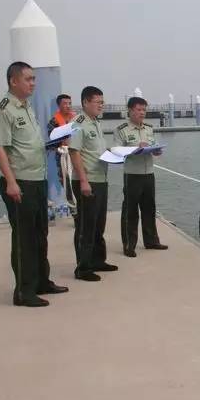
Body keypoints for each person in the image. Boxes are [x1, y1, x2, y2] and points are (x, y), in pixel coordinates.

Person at [0, 61, 68, 307]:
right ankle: (24, 292)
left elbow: (27, 145)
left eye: (34, 79)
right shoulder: (3, 109)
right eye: (28, 79)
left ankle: (41, 281)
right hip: (20, 182)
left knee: (40, 235)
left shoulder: (27, 107)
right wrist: (11, 183)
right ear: (14, 81)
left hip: (38, 180)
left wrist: (51, 145)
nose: (33, 83)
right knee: (24, 239)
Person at [69, 86, 117, 281]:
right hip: (87, 181)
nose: (101, 105)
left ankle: (98, 260)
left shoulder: (95, 123)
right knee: (86, 226)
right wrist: (83, 181)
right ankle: (83, 267)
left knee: (98, 224)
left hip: (101, 179)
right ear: (85, 103)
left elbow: (97, 150)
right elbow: (74, 152)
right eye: (97, 102)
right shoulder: (78, 123)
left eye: (102, 102)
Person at [113, 97, 168, 258]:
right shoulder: (121, 129)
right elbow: (117, 150)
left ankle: (151, 241)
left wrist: (156, 150)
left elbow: (152, 146)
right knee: (130, 210)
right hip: (132, 175)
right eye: (139, 110)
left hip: (149, 173)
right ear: (130, 110)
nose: (142, 113)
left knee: (149, 208)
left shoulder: (149, 128)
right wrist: (136, 148)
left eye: (144, 110)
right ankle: (129, 245)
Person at [46, 94, 76, 205]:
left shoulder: (77, 119)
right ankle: (75, 214)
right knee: (68, 186)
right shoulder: (53, 122)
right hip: (64, 159)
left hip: (79, 156)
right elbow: (52, 140)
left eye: (70, 103)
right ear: (59, 105)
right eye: (65, 103)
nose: (68, 106)